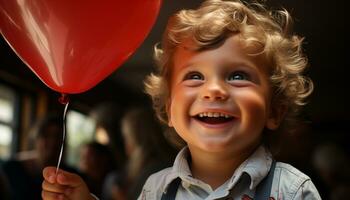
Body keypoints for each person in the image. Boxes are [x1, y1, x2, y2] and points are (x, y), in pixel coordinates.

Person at [41, 0, 321, 199]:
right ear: (169, 111)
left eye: (237, 76)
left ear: (274, 111)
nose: (214, 91)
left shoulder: (293, 190)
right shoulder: (156, 188)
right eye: (195, 76)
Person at [101, 107, 177, 200]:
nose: (126, 144)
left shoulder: (153, 171)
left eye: (127, 138)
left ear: (137, 140)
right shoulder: (147, 167)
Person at [2, 114, 80, 200]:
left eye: (57, 137)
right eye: (46, 135)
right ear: (36, 138)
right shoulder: (12, 168)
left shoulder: (70, 176)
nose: (52, 142)